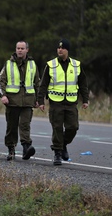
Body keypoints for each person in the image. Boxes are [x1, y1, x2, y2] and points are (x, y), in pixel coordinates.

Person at [37, 38, 89, 166]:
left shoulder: (76, 65)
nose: (60, 50)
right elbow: (43, 84)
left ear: (67, 50)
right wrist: (41, 100)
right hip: (56, 102)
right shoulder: (51, 65)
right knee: (57, 128)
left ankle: (63, 144)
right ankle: (57, 154)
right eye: (58, 48)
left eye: (63, 48)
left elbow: (83, 83)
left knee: (73, 127)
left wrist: (85, 99)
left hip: (71, 102)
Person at [0, 41, 40, 161]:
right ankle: (11, 149)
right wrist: (3, 95)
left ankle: (27, 147)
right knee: (12, 126)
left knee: (25, 125)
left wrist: (38, 99)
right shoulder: (8, 64)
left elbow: (37, 83)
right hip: (12, 101)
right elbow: (1, 81)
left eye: (22, 48)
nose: (20, 50)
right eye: (18, 48)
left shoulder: (32, 65)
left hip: (28, 101)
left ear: (27, 50)